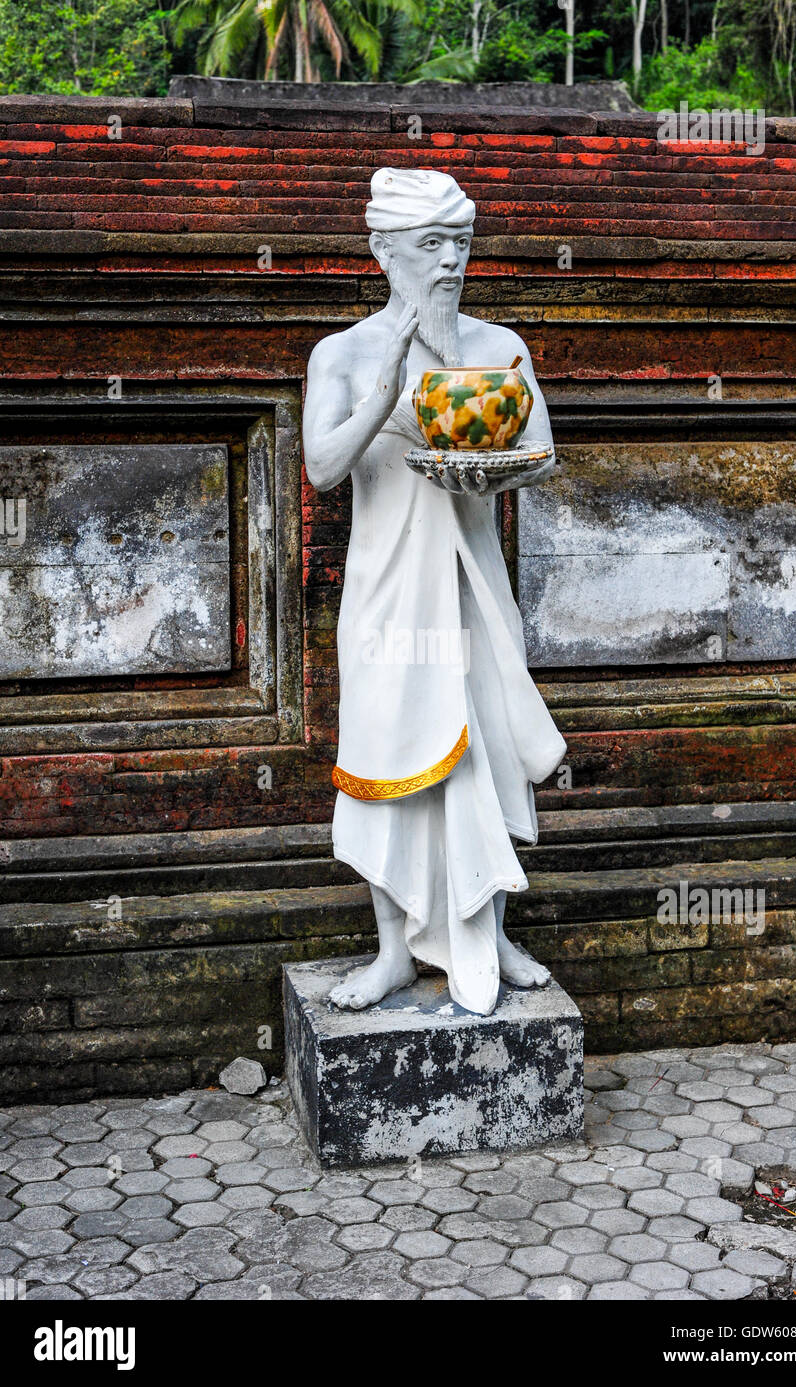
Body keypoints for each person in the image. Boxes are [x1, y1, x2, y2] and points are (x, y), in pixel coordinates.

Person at [303, 167, 567, 1015]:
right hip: (386, 599)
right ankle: (392, 950)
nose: (450, 261)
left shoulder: (500, 348)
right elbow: (321, 468)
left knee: (483, 755)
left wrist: (488, 459)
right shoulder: (342, 354)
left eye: (460, 243)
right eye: (430, 245)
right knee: (394, 758)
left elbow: (542, 451)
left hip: (472, 590)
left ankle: (486, 936)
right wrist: (388, 391)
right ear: (385, 251)